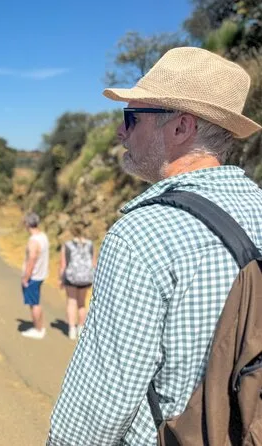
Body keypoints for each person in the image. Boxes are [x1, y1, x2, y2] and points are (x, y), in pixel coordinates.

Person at [48, 47, 262, 445]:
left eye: (131, 118)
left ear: (181, 127)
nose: (120, 132)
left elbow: (100, 404)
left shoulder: (143, 235)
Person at [58, 222, 95, 340]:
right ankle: (81, 328)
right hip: (86, 278)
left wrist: (61, 279)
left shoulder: (67, 245)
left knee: (71, 302)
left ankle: (72, 329)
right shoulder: (90, 244)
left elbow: (63, 264)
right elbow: (93, 263)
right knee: (82, 303)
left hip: (71, 278)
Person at [20, 212, 49, 339]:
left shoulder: (33, 241)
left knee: (34, 304)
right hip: (41, 274)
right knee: (36, 301)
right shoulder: (43, 236)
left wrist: (26, 278)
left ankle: (38, 330)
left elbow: (32, 260)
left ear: (27, 224)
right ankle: (40, 326)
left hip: (33, 276)